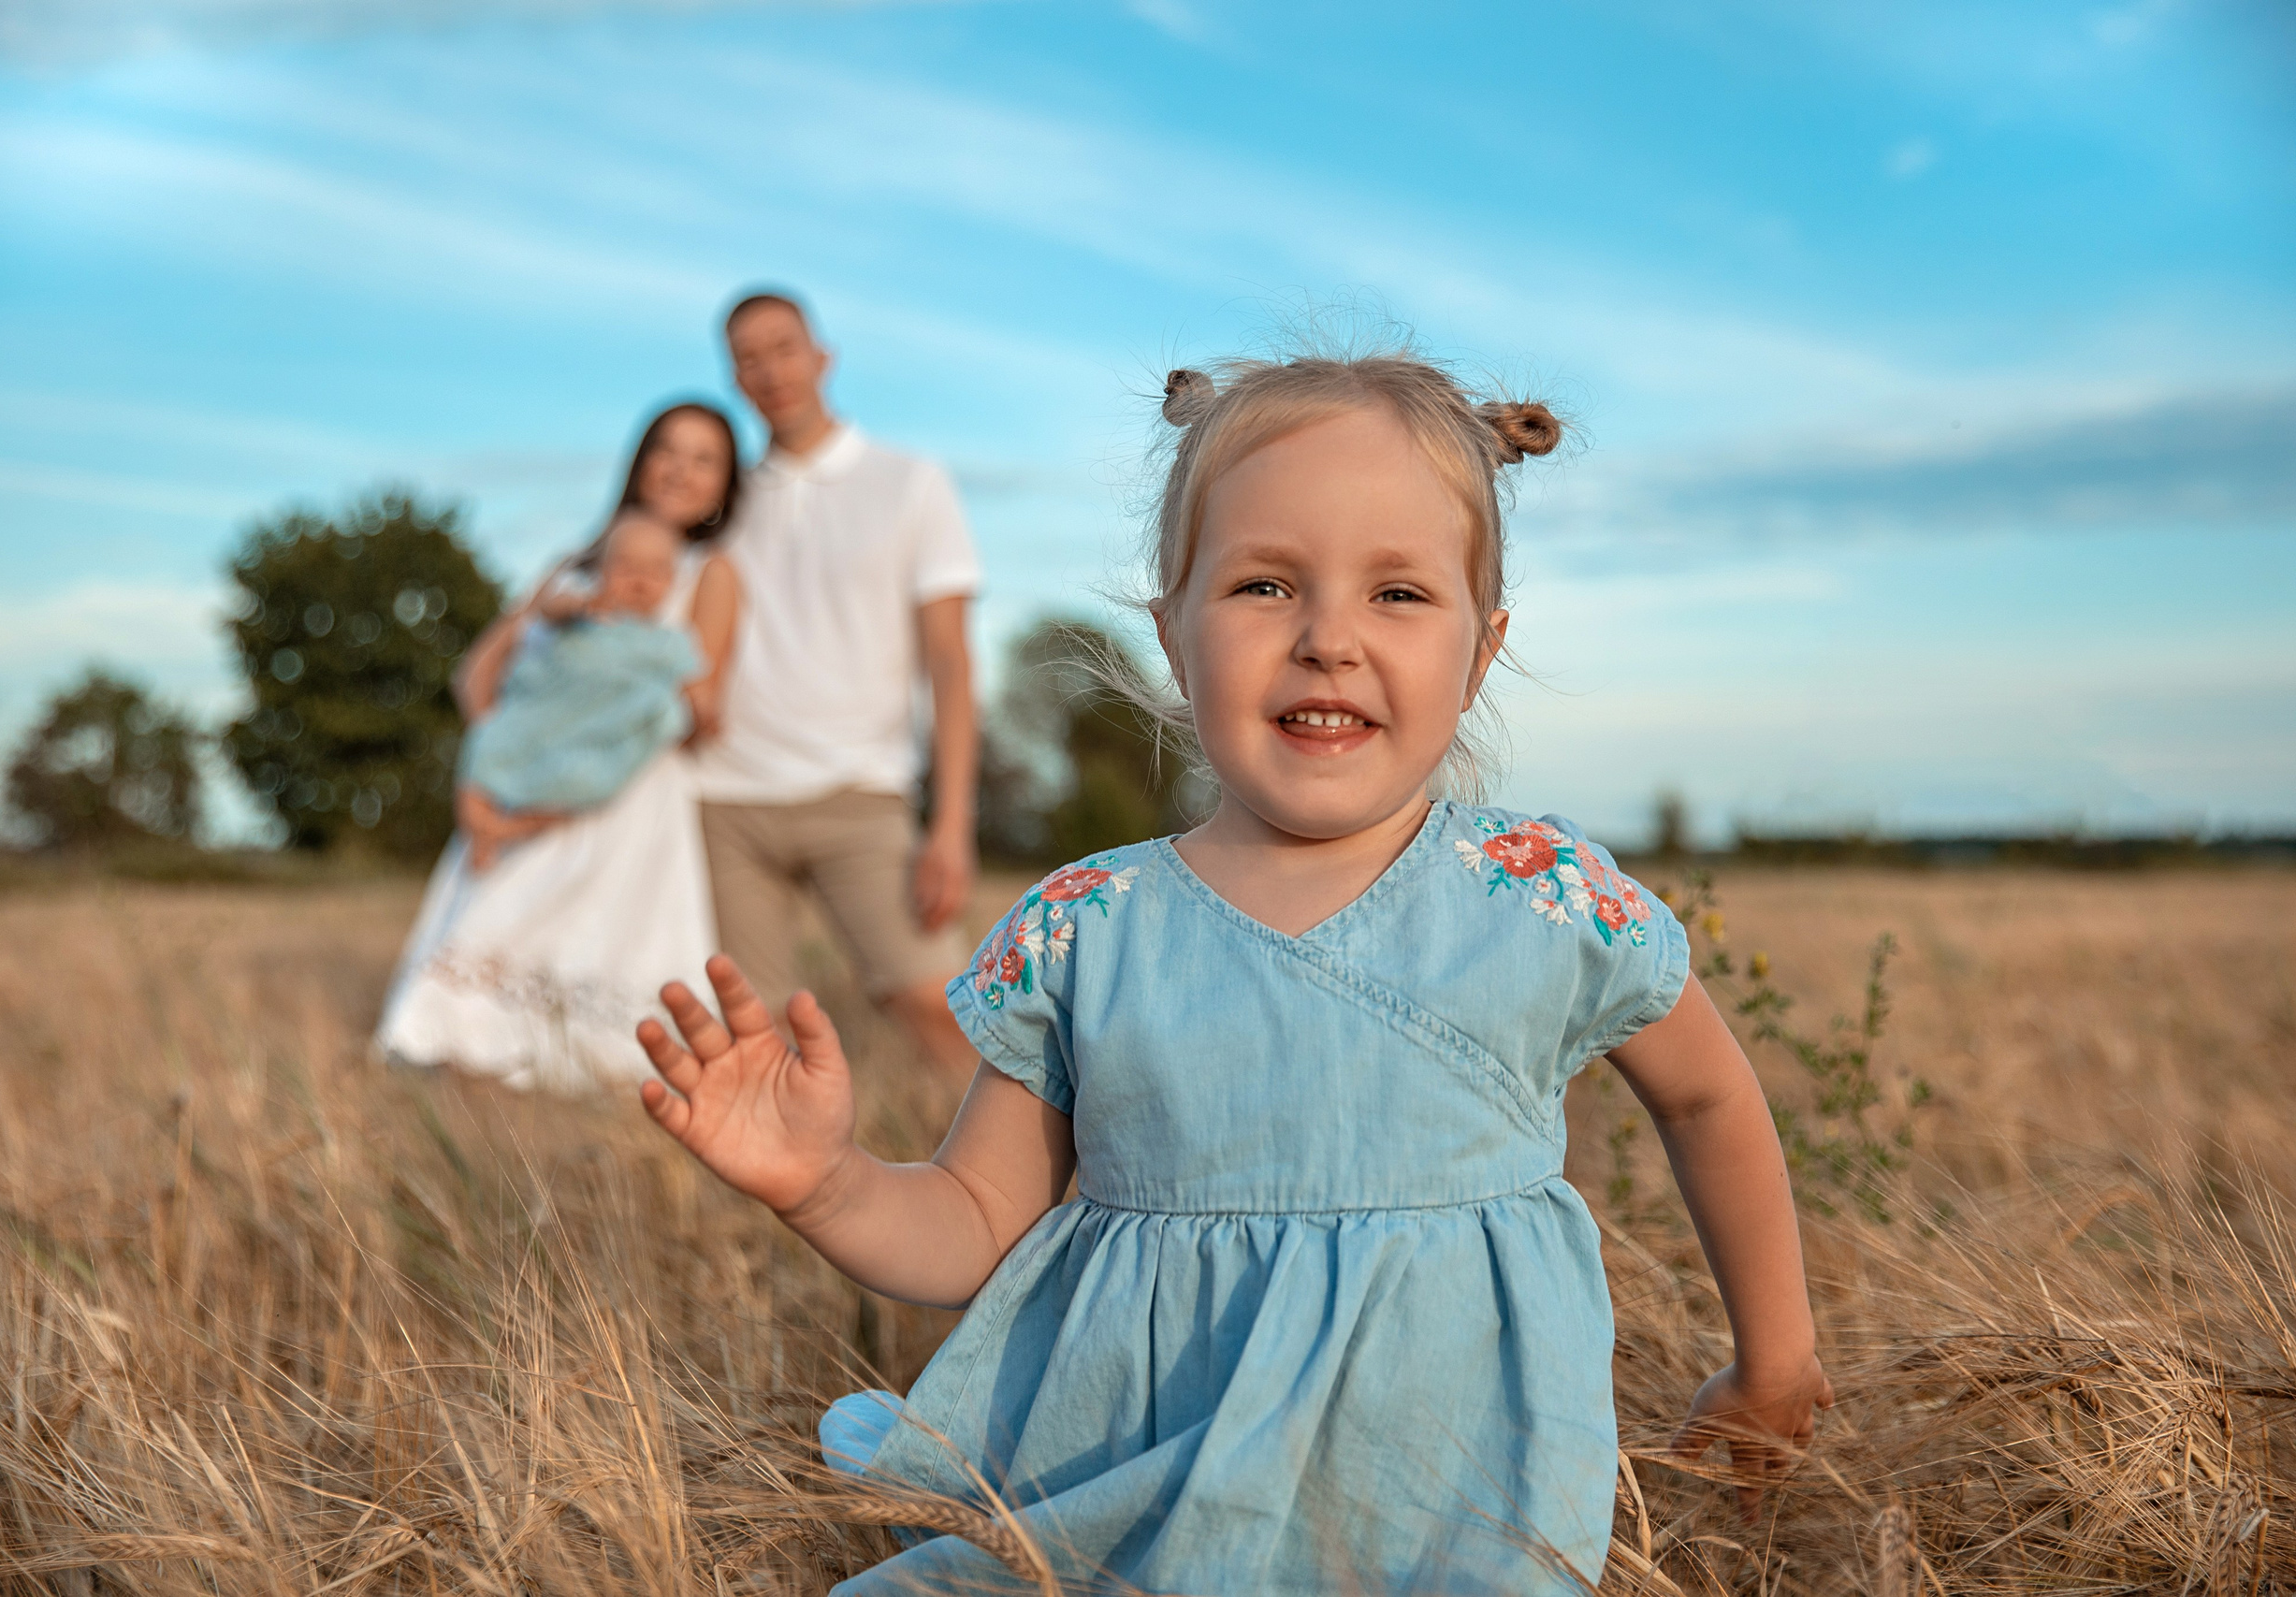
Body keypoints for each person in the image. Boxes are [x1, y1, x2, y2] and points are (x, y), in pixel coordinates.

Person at [631, 346, 1834, 1593]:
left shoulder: (1540, 894)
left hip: (1459, 1525)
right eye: (1265, 583)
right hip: (1131, 1523)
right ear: (1172, 632)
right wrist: (821, 1180)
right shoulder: (1091, 926)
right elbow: (976, 1222)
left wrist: (1775, 1355)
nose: (1328, 639)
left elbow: (1706, 1096)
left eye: (1400, 595)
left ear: (1483, 648)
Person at [374, 401, 743, 1090]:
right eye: (668, 449)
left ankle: (573, 1093)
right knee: (495, 927)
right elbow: (479, 673)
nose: (681, 470)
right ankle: (459, 1074)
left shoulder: (708, 572)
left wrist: (621, 709)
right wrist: (501, 758)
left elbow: (702, 702)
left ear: (726, 485)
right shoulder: (568, 569)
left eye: (705, 459)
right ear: (640, 459)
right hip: (525, 776)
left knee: (599, 954)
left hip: (629, 798)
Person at [692, 291, 983, 1082]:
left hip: (859, 792)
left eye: (783, 347)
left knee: (937, 1007)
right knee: (754, 1042)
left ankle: (1028, 1198)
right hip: (725, 801)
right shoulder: (721, 500)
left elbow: (951, 661)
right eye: (747, 356)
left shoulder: (909, 481)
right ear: (735, 378)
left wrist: (950, 823)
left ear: (822, 355)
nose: (769, 368)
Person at [454, 511, 702, 869]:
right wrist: (583, 606)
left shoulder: (667, 642)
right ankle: (482, 831)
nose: (640, 581)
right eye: (626, 566)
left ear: (672, 579)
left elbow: (693, 687)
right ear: (600, 569)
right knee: (485, 749)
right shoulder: (582, 610)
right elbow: (548, 608)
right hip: (543, 709)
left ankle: (519, 827)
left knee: (584, 778)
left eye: (655, 570)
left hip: (600, 731)